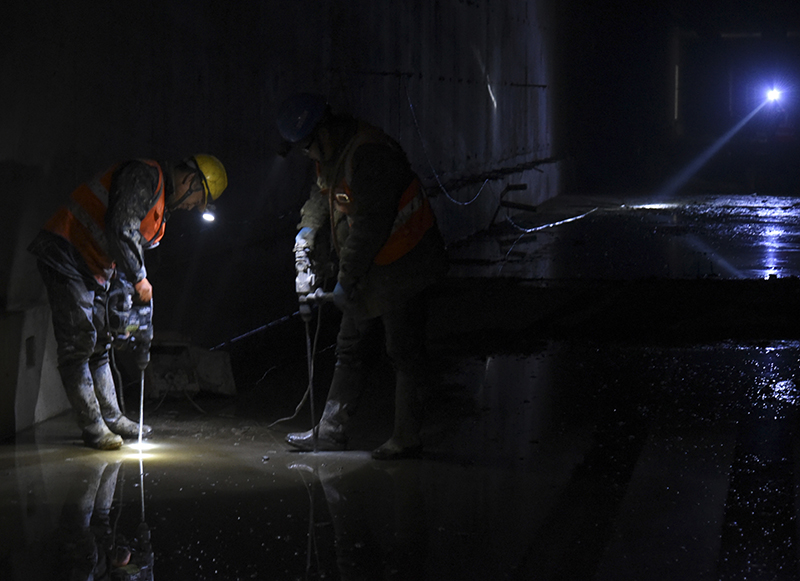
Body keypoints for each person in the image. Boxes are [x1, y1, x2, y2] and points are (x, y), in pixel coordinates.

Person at [276, 93, 448, 460]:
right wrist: (306, 233)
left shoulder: (371, 155)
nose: (307, 155)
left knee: (403, 350)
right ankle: (331, 431)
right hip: (373, 263)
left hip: (406, 261)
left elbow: (370, 225)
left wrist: (346, 278)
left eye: (308, 146)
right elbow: (321, 198)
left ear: (323, 131)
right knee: (350, 347)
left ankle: (406, 437)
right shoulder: (332, 155)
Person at [28, 155, 228, 450]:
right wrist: (139, 279)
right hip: (66, 250)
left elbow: (128, 252)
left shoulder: (161, 214)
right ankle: (92, 426)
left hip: (93, 265)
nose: (193, 207)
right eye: (198, 199)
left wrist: (123, 300)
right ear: (192, 181)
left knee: (100, 344)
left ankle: (112, 417)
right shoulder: (144, 176)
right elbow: (121, 227)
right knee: (78, 344)